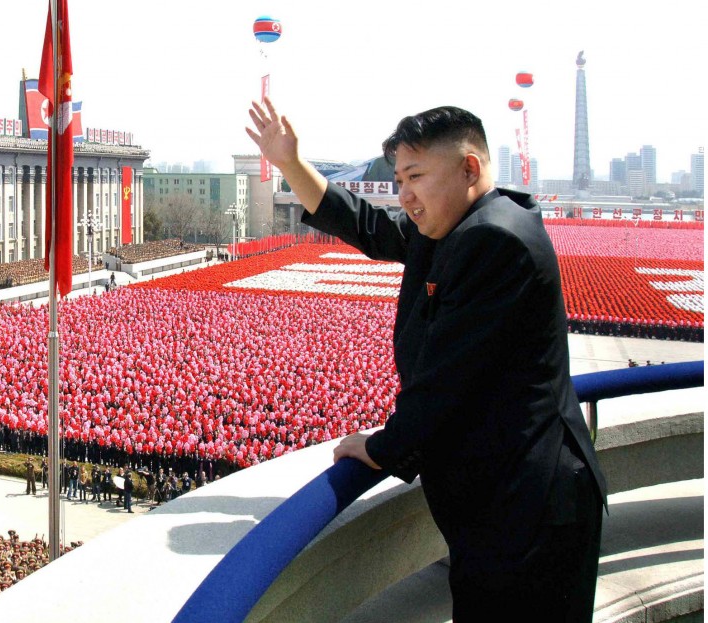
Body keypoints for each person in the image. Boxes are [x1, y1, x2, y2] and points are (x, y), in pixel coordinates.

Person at [246, 99, 606, 622]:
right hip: (509, 507)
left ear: (470, 168)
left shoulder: (492, 240)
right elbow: (367, 226)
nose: (405, 195)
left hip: (526, 515)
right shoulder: (462, 223)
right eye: (398, 179)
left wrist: (382, 447)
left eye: (416, 176)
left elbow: (446, 382)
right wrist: (291, 164)